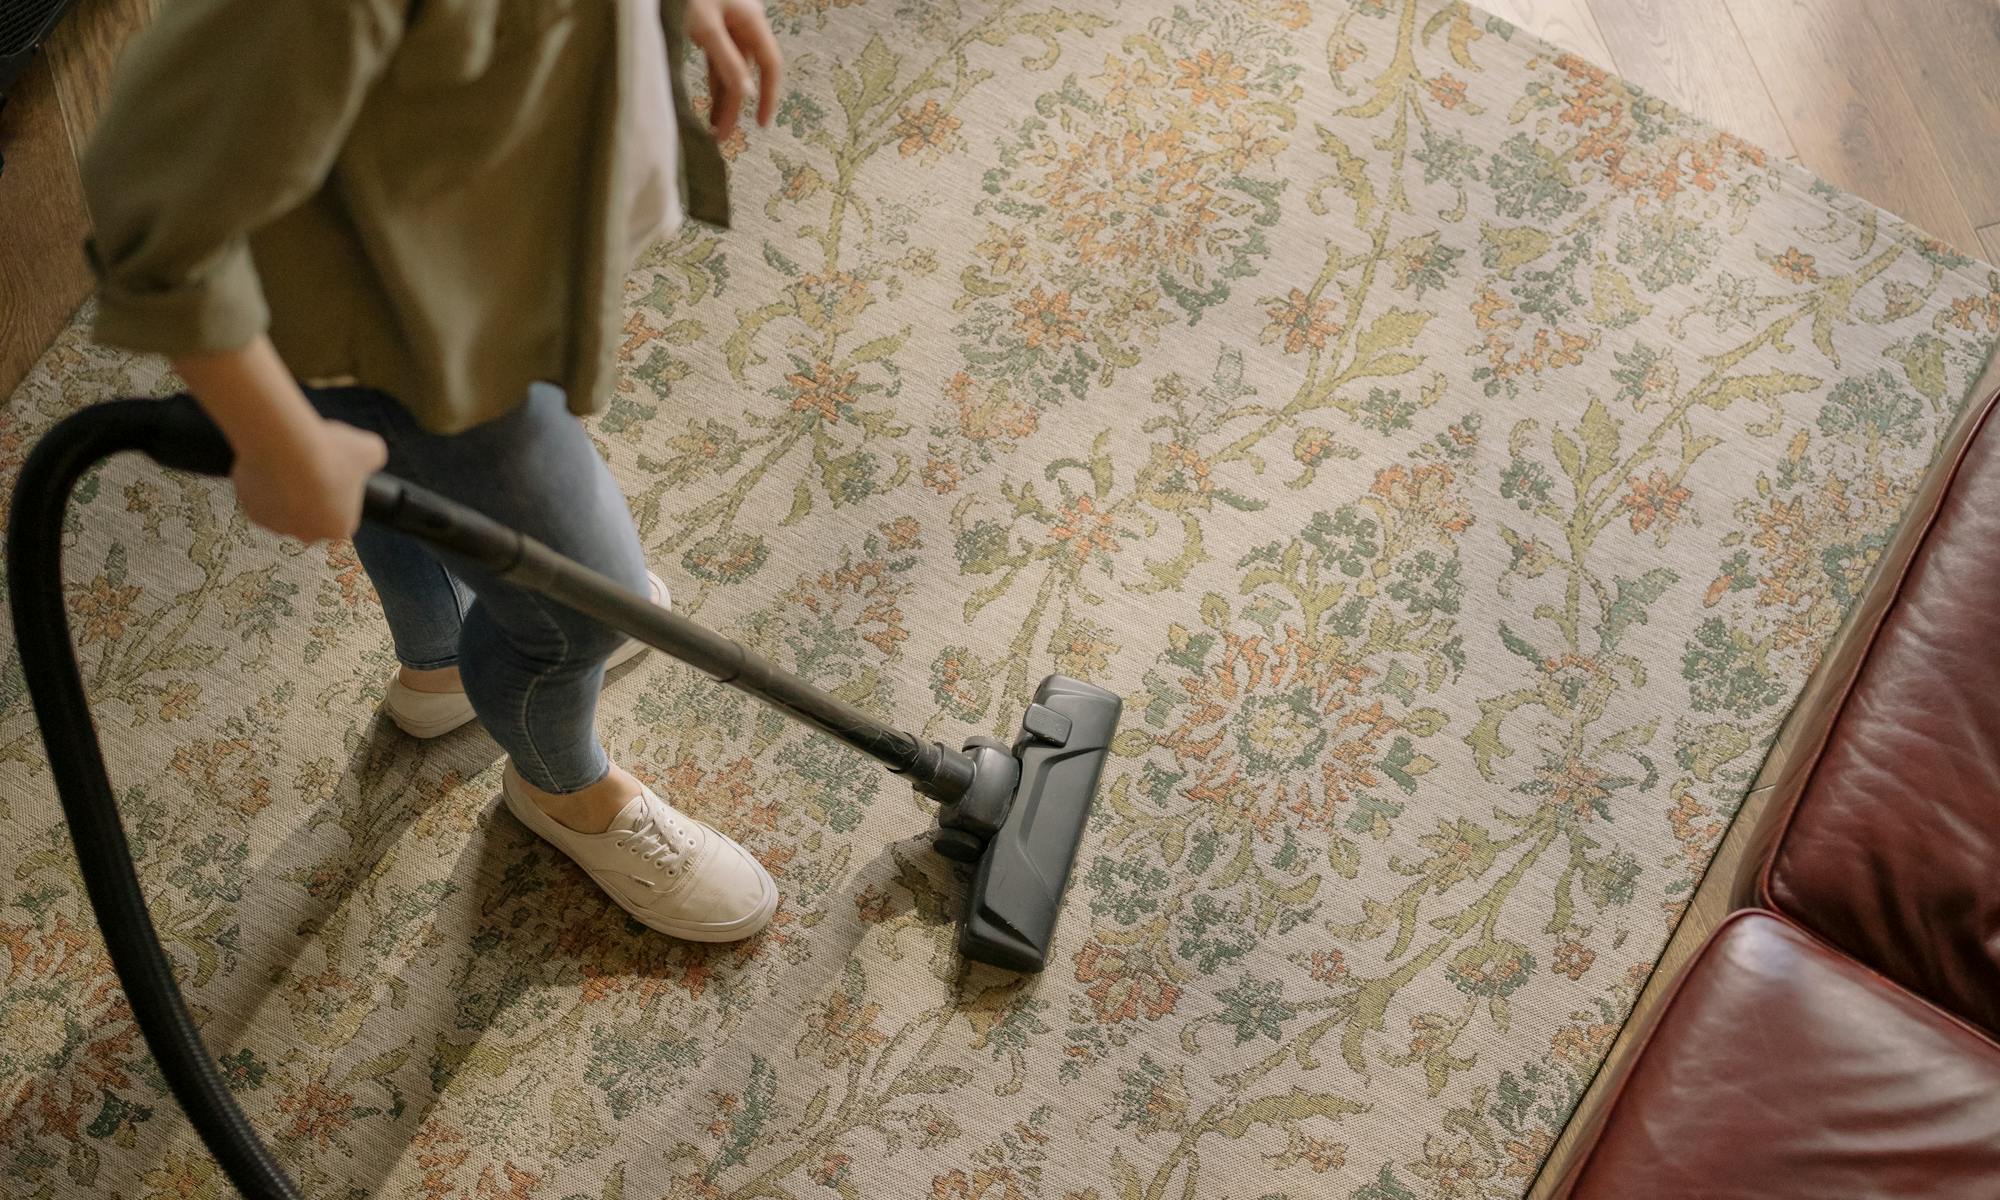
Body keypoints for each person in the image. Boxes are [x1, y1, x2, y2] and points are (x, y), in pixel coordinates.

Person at [79, 0, 786, 942]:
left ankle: (442, 663)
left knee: (409, 490)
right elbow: (149, 191)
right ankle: (562, 789)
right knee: (587, 606)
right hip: (408, 336)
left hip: (457, 256)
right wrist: (276, 439)